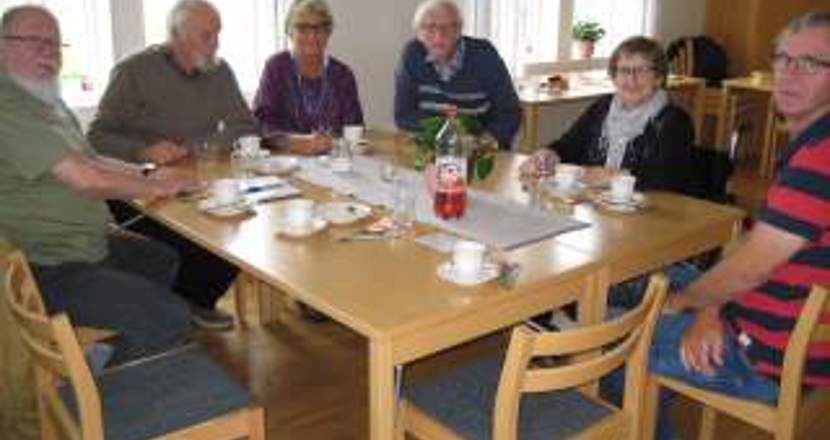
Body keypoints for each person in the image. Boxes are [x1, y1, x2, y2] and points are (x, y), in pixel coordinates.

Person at [622, 12, 830, 439]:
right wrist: (711, 307)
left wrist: (684, 304)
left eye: (811, 63)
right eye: (783, 59)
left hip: (771, 356)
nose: (790, 74)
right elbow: (755, 248)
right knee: (649, 278)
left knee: (615, 342)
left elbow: (751, 268)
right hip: (770, 317)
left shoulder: (820, 159)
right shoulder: (812, 143)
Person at [0, 5, 195, 364]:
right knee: (173, 318)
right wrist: (159, 187)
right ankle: (92, 377)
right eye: (32, 40)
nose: (47, 51)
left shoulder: (45, 101)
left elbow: (92, 160)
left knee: (162, 260)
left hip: (84, 246)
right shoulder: (7, 107)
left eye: (54, 43)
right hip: (48, 266)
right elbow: (86, 179)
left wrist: (149, 174)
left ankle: (116, 342)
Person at [87, 0, 258, 330]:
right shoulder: (134, 71)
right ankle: (181, 302)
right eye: (206, 36)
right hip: (140, 182)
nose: (216, 43)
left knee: (239, 222)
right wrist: (143, 151)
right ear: (177, 35)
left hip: (201, 177)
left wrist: (200, 146)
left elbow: (245, 126)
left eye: (218, 34)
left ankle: (195, 299)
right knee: (185, 234)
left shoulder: (219, 71)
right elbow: (96, 136)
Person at [521, 36, 694, 192]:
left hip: (652, 210)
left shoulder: (675, 120)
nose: (631, 80)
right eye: (624, 70)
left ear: (658, 77)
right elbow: (569, 145)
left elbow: (667, 177)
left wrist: (614, 176)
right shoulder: (603, 107)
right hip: (599, 205)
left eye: (641, 71)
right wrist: (549, 155)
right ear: (614, 76)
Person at [394, 0, 520, 150]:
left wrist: (485, 140)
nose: (439, 36)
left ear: (459, 30)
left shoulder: (484, 54)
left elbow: (510, 111)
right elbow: (404, 115)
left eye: (448, 28)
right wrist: (444, 133)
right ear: (418, 32)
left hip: (480, 149)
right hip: (432, 145)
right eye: (430, 27)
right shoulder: (412, 54)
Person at [253, 0, 363, 156]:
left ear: (328, 33)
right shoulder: (276, 67)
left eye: (320, 28)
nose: (312, 36)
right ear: (290, 32)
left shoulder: (343, 75)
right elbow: (262, 124)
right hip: (286, 160)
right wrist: (293, 142)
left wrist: (334, 143)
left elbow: (354, 127)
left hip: (334, 160)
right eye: (303, 28)